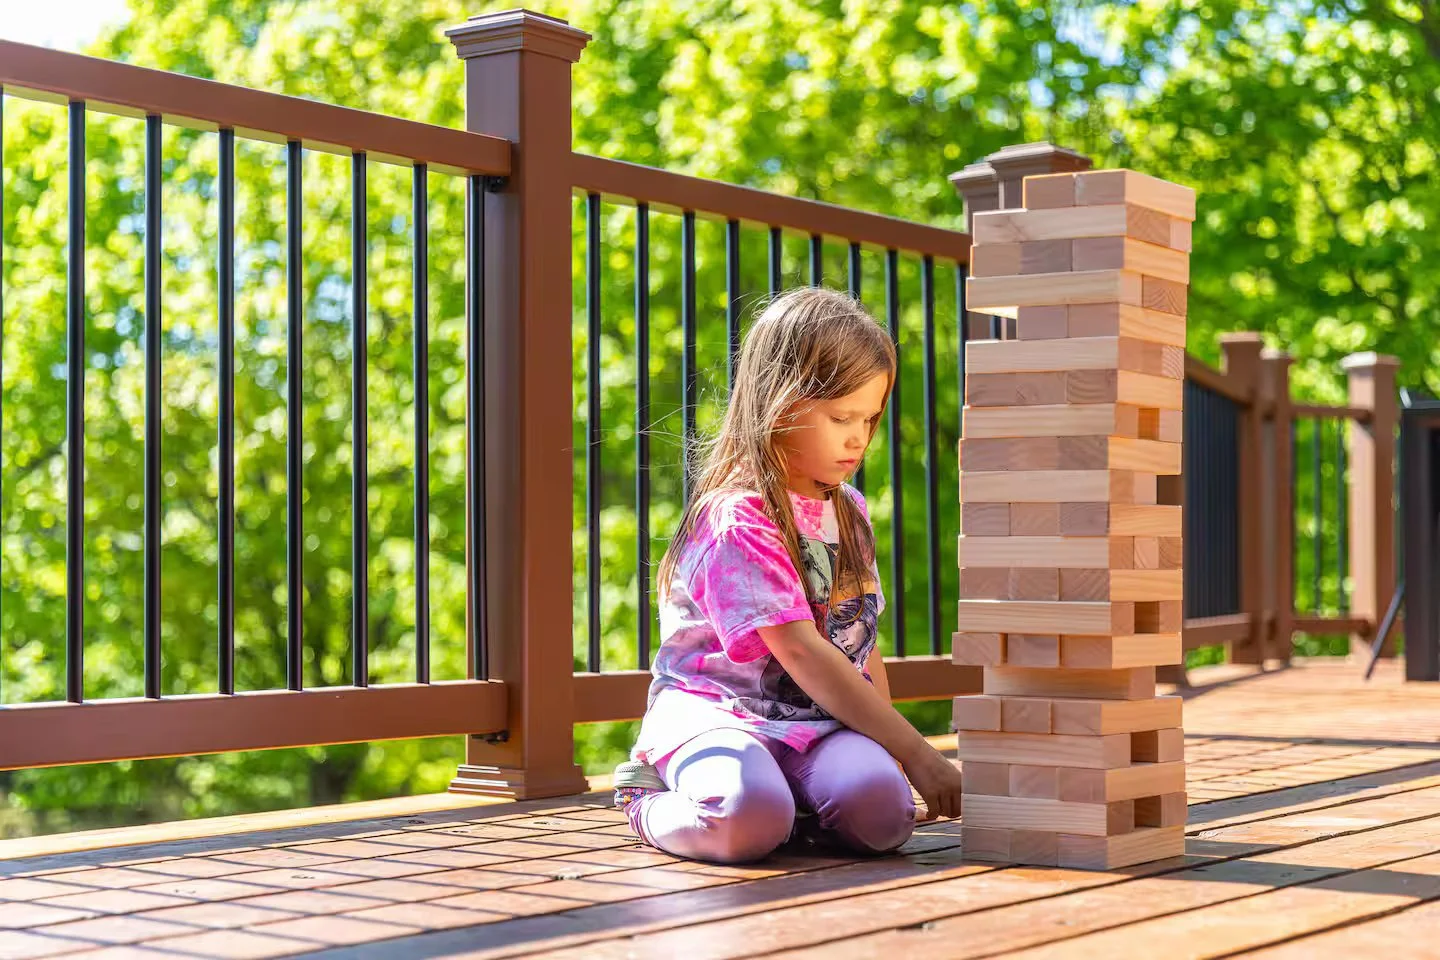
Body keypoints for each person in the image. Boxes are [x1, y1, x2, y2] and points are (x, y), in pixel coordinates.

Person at [612, 286, 964, 865]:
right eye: (840, 416)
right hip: (719, 715)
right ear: (780, 401)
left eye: (870, 418)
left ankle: (792, 812)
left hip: (814, 725)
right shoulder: (737, 516)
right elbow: (801, 652)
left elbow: (857, 642)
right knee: (742, 816)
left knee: (884, 815)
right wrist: (921, 752)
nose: (859, 437)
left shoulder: (847, 509)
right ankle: (647, 796)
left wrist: (895, 752)